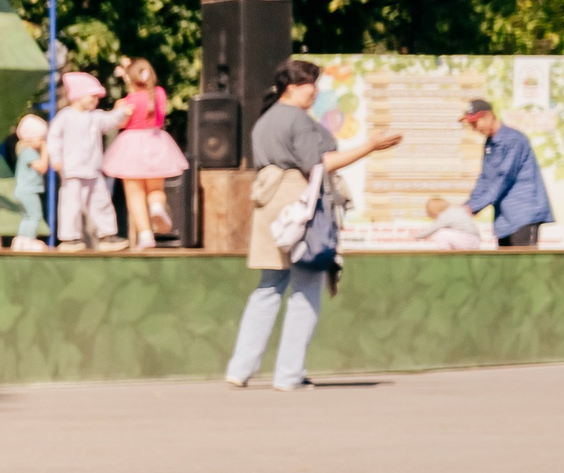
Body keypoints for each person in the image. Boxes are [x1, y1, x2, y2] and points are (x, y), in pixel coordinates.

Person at [225, 60, 402, 390]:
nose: (315, 90)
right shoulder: (298, 121)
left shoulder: (264, 121)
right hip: (299, 205)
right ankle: (288, 374)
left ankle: (239, 369)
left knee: (268, 287)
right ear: (292, 88)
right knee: (306, 288)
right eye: (310, 84)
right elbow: (319, 164)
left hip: (269, 206)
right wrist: (370, 146)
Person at [101, 56, 188, 249]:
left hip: (131, 146)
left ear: (131, 79)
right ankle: (156, 207)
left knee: (135, 194)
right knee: (156, 189)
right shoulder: (159, 94)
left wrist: (123, 95)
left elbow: (120, 122)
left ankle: (146, 235)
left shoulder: (127, 102)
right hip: (156, 142)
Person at [461, 97, 554, 247]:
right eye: (470, 123)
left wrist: (475, 206)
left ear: (489, 116)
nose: (473, 127)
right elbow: (485, 178)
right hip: (504, 221)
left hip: (524, 216)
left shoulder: (513, 139)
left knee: (525, 269)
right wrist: (468, 205)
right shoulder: (489, 143)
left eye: (474, 122)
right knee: (506, 269)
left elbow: (504, 177)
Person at [46, 72, 123, 249]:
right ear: (79, 95)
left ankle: (107, 235)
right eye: (93, 96)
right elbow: (54, 138)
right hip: (72, 170)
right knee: (71, 205)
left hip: (93, 170)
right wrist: (56, 158)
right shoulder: (65, 116)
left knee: (102, 202)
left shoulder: (95, 116)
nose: (96, 100)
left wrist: (121, 112)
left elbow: (110, 120)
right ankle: (69, 238)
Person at [11, 113, 50, 250]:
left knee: (27, 216)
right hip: (28, 191)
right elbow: (42, 167)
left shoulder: (23, 151)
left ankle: (20, 240)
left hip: (22, 191)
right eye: (41, 139)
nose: (43, 142)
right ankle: (28, 240)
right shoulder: (29, 152)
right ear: (31, 138)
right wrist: (45, 150)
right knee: (35, 215)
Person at [413, 197, 483, 251]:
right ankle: (451, 252)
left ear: (435, 211)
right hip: (475, 241)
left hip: (467, 241)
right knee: (448, 231)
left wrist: (417, 236)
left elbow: (431, 229)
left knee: (442, 233)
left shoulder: (444, 216)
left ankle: (446, 255)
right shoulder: (456, 210)